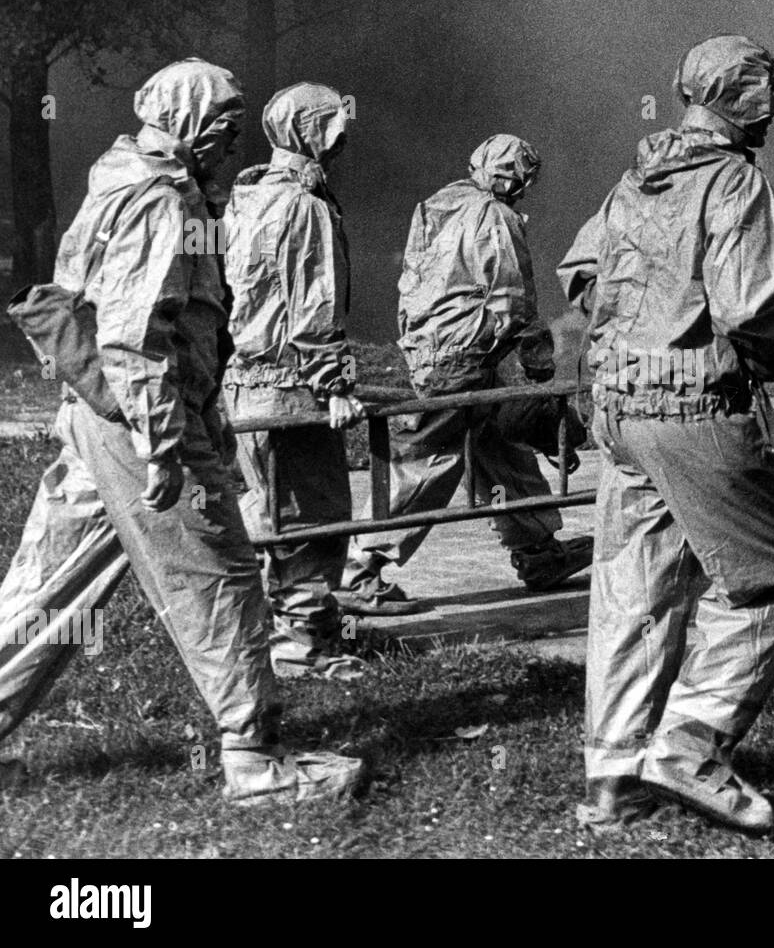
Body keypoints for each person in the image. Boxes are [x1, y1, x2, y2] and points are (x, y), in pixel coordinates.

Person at [0, 59, 362, 803]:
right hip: (145, 422)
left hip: (96, 416)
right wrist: (167, 448)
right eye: (224, 123)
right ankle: (256, 761)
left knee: (50, 587)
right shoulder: (166, 204)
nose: (234, 138)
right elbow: (136, 338)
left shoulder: (119, 174)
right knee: (219, 577)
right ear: (188, 119)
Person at [558, 34, 774, 834]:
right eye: (766, 90)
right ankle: (690, 744)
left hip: (618, 410)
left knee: (634, 590)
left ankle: (613, 780)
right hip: (693, 408)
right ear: (731, 94)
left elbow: (581, 274)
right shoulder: (734, 180)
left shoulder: (637, 177)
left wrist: (646, 313)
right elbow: (753, 311)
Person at [334, 134, 593, 614]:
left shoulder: (437, 205)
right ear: (517, 177)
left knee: (499, 451)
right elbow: (514, 297)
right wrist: (537, 359)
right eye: (524, 178)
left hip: (433, 348)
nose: (523, 188)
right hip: (468, 355)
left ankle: (538, 551)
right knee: (433, 460)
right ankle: (358, 568)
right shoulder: (498, 216)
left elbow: (411, 278)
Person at [223, 82, 368, 679]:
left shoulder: (243, 196)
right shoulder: (305, 206)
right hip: (289, 384)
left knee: (266, 509)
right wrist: (333, 382)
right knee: (315, 514)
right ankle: (302, 645)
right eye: (334, 128)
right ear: (314, 132)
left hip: (242, 380)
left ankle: (269, 628)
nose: (342, 140)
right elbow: (313, 305)